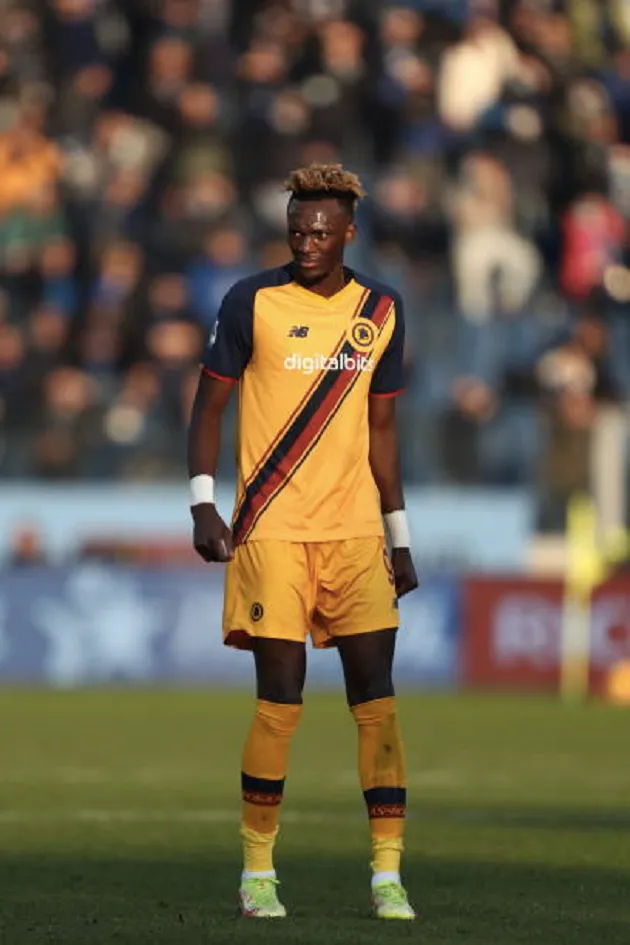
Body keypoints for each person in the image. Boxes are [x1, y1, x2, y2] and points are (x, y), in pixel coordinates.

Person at [187, 163, 419, 920]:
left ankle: (387, 875)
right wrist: (202, 504)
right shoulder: (250, 300)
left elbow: (383, 431)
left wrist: (400, 535)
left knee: (376, 704)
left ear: (349, 232)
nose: (307, 241)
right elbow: (208, 407)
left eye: (321, 231)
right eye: (296, 228)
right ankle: (259, 873)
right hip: (271, 531)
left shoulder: (381, 309)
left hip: (356, 534)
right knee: (278, 701)